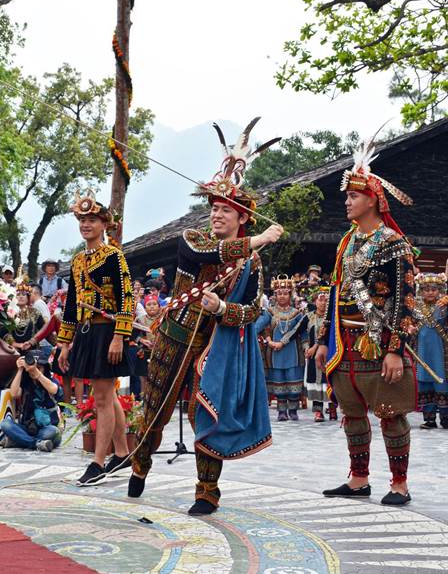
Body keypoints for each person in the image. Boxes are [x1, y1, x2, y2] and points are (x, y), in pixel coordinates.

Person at [129, 119, 283, 512]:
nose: (216, 215)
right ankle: (140, 464)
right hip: (175, 337)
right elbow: (202, 258)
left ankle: (206, 492)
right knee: (156, 407)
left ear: (242, 217)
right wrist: (256, 242)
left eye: (225, 210)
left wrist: (222, 308)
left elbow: (250, 310)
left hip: (215, 348)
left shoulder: (253, 265)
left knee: (206, 415)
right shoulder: (192, 239)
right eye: (213, 207)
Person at [316, 131, 417, 506]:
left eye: (353, 195)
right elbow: (335, 291)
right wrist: (323, 341)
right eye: (347, 195)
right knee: (352, 413)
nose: (347, 201)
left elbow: (405, 299)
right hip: (345, 343)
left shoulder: (394, 243)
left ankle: (400, 484)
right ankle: (359, 478)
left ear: (373, 200)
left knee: (390, 415)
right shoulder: (347, 242)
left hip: (378, 342)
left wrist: (395, 350)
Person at [57, 190, 134, 486]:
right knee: (107, 395)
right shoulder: (78, 261)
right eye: (82, 220)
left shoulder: (114, 256)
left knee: (101, 397)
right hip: (87, 333)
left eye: (92, 220)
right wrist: (64, 343)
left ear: (104, 224)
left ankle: (98, 462)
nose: (86, 225)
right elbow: (71, 304)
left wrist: (119, 337)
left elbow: (126, 297)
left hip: (107, 331)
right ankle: (122, 452)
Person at [256, 277, 308, 422]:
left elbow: (303, 333)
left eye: (285, 293)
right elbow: (257, 327)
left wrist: (306, 348)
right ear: (275, 295)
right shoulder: (269, 312)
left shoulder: (297, 313)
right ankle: (281, 411)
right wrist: (268, 341)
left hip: (294, 353)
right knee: (278, 382)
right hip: (274, 353)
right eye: (279, 293)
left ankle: (293, 410)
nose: (282, 296)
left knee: (293, 383)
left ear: (290, 295)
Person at [0, 347, 63, 451]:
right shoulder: (25, 382)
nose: (35, 369)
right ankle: (37, 443)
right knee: (5, 424)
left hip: (47, 428)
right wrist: (20, 370)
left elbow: (53, 390)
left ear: (45, 368)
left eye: (39, 367)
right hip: (27, 427)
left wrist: (36, 373)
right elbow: (14, 393)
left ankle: (19, 441)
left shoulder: (51, 380)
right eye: (33, 366)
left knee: (52, 432)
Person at [413, 272, 448, 429]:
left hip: (440, 352)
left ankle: (446, 417)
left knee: (442, 382)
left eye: (434, 289)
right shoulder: (415, 308)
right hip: (422, 352)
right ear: (421, 291)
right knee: (424, 381)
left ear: (440, 290)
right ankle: (429, 418)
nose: (430, 292)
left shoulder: (443, 307)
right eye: (426, 289)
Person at [304, 288, 335, 422]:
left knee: (330, 380)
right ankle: (318, 412)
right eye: (320, 300)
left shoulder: (334, 317)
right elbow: (298, 332)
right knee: (316, 384)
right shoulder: (309, 316)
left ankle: (333, 409)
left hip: (330, 353)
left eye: (326, 300)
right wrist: (306, 348)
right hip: (312, 356)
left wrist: (316, 346)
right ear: (315, 301)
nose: (323, 303)